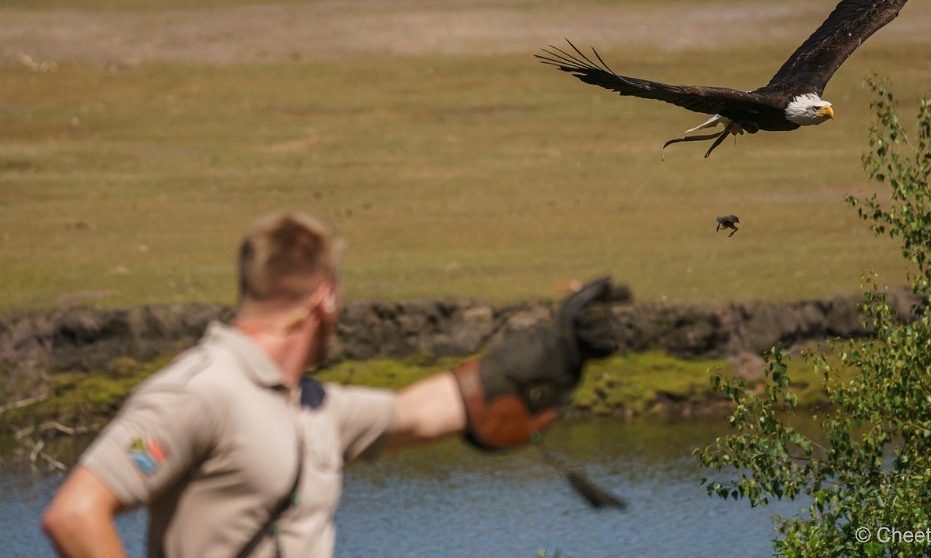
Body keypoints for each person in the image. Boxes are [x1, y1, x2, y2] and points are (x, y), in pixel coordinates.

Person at [42, 211, 628, 557]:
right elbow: (74, 515)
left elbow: (419, 413)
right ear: (324, 298)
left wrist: (555, 346)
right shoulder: (199, 393)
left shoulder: (314, 406)